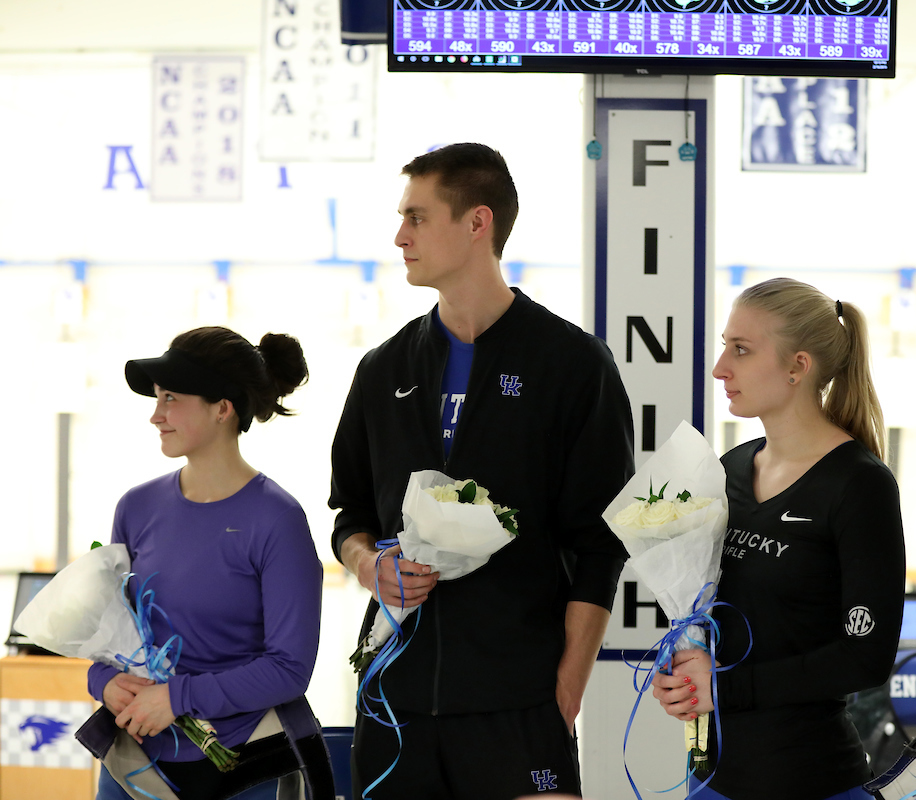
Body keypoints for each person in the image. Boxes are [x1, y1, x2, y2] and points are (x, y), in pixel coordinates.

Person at [329, 142, 635, 799]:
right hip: (395, 705)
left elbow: (600, 546)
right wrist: (366, 565)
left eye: (416, 217)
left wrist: (564, 691)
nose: (399, 236)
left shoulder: (574, 366)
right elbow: (349, 516)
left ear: (477, 223)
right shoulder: (383, 371)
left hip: (519, 708)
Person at [652, 278, 906, 800]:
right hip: (713, 777)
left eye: (741, 350)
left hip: (809, 778)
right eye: (725, 346)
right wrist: (682, 669)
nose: (722, 367)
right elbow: (708, 610)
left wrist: (724, 687)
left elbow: (865, 658)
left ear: (798, 366)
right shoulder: (729, 468)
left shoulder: (860, 485)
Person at [86, 327, 325, 800]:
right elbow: (112, 637)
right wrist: (104, 681)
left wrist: (178, 698)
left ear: (222, 408)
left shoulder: (277, 520)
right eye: (156, 398)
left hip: (243, 761)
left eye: (171, 398)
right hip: (137, 759)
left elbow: (288, 668)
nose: (156, 415)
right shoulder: (135, 508)